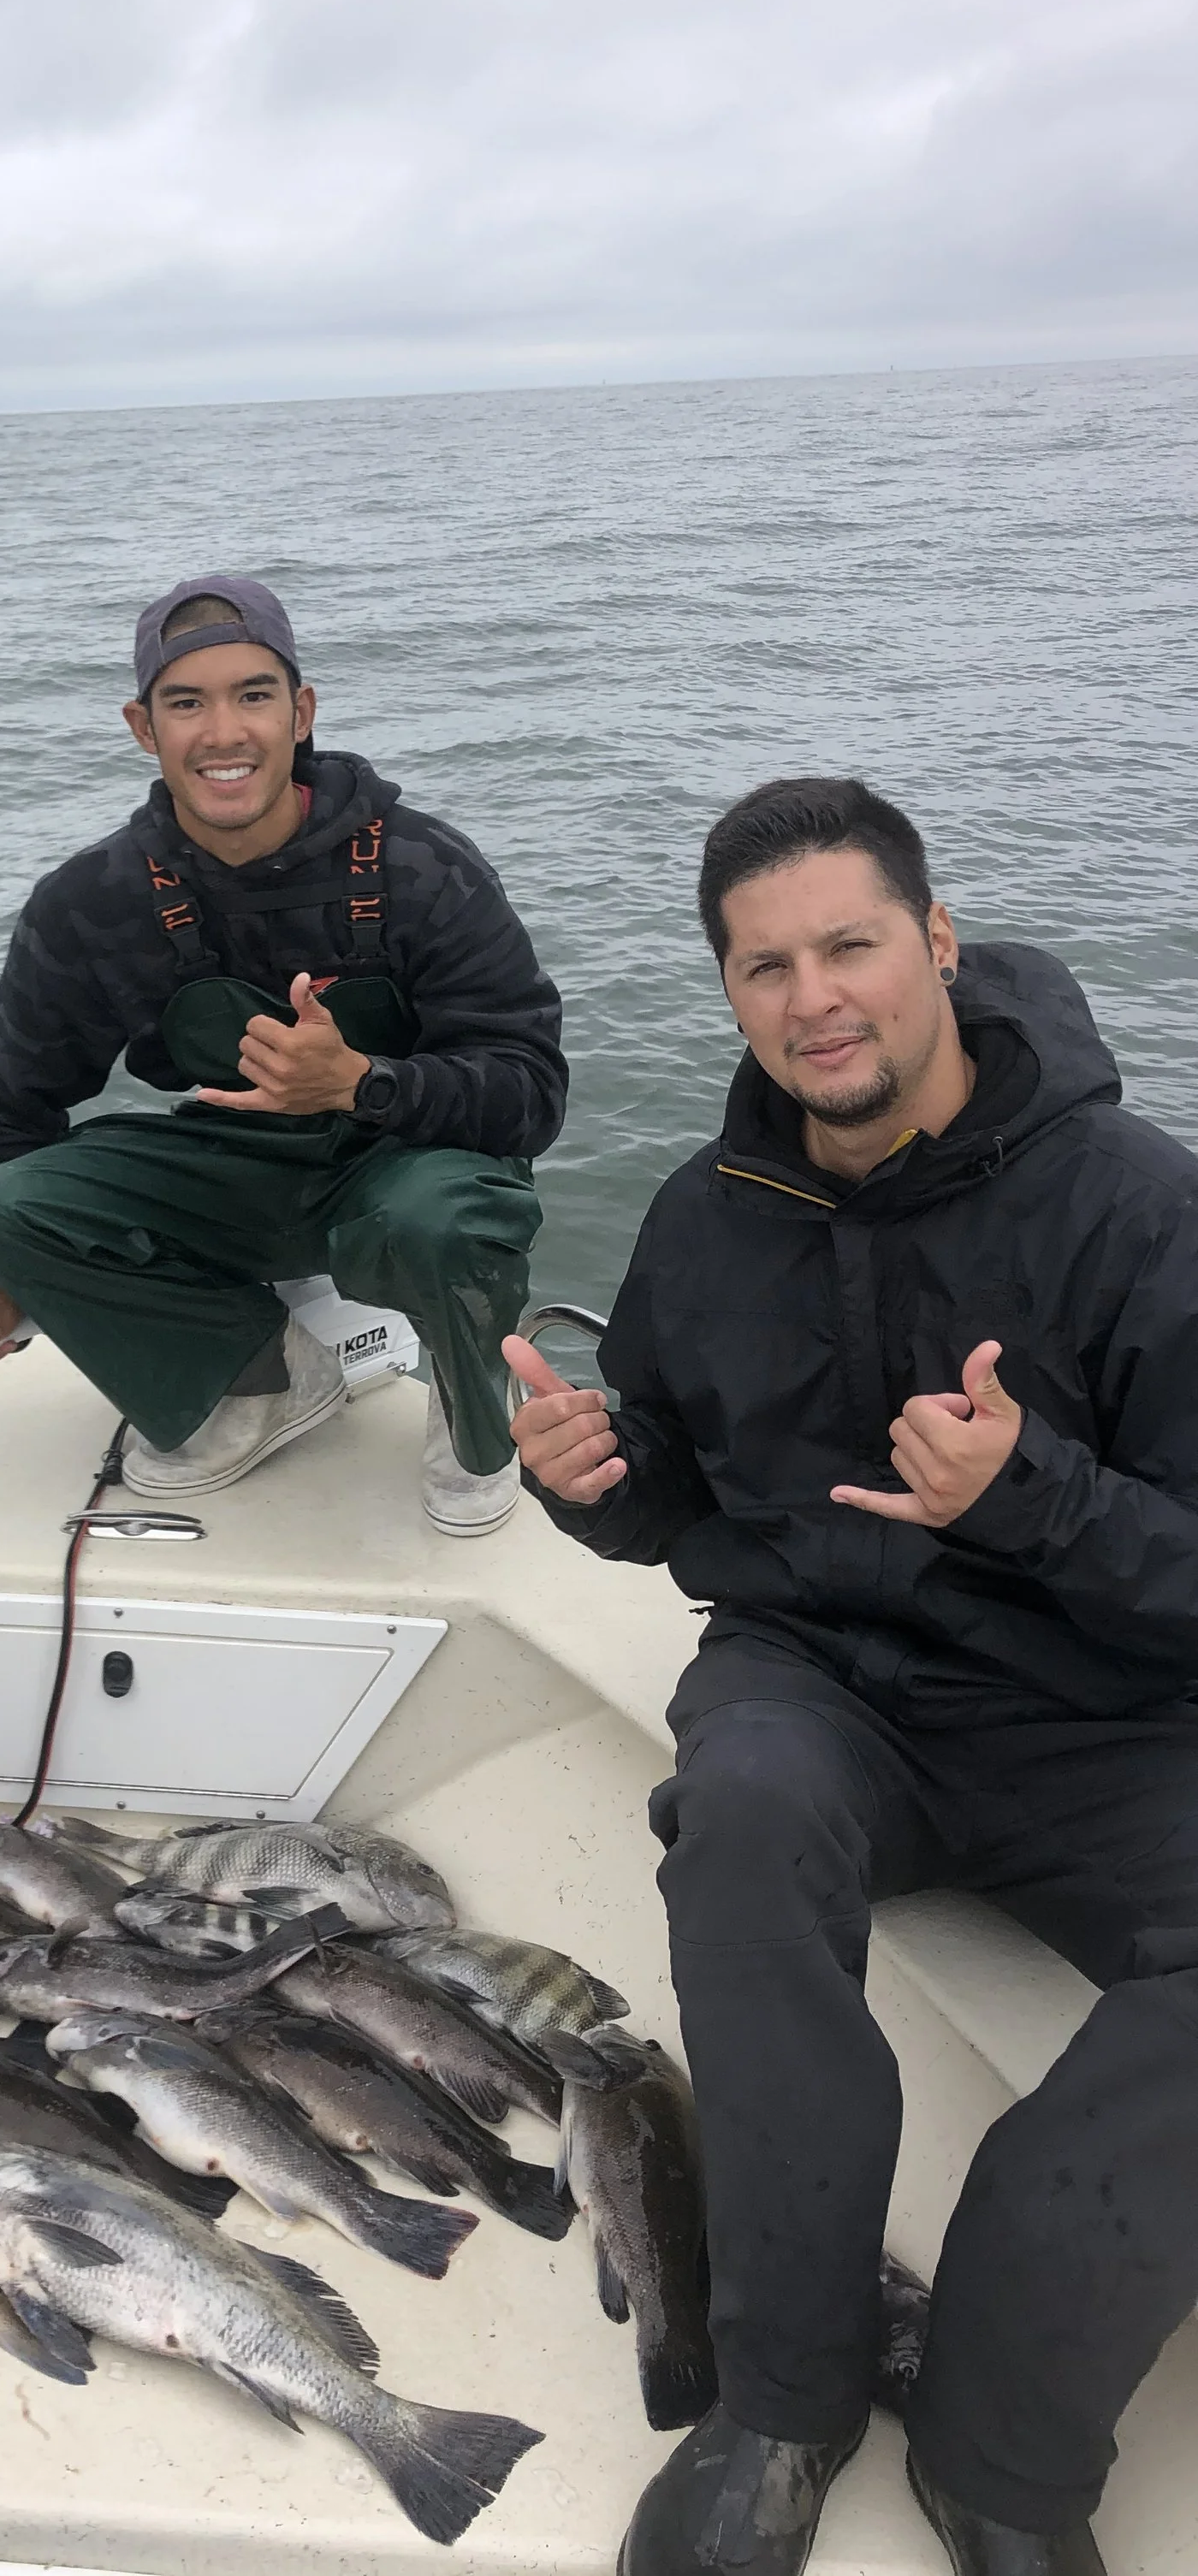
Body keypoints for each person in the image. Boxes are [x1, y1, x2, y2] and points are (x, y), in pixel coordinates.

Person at [507, 776, 1198, 2576]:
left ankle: (999, 2451)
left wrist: (1034, 1499)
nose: (812, 996)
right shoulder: (704, 1210)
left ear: (937, 944)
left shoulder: (1135, 1207)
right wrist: (599, 1478)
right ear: (726, 993)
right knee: (733, 1808)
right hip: (820, 1689)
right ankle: (782, 2397)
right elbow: (682, 1485)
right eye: (762, 965)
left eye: (848, 945)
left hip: (1098, 1713)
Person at [0, 572, 565, 1531]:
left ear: (299, 712)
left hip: (407, 1172)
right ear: (145, 728)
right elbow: (12, 1104)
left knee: (445, 1218)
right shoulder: (90, 900)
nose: (223, 733)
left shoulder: (421, 868)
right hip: (234, 1175)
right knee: (1, 1206)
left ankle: (473, 1423)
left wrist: (363, 1083)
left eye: (253, 696)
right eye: (187, 703)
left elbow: (530, 1094)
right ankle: (260, 1379)